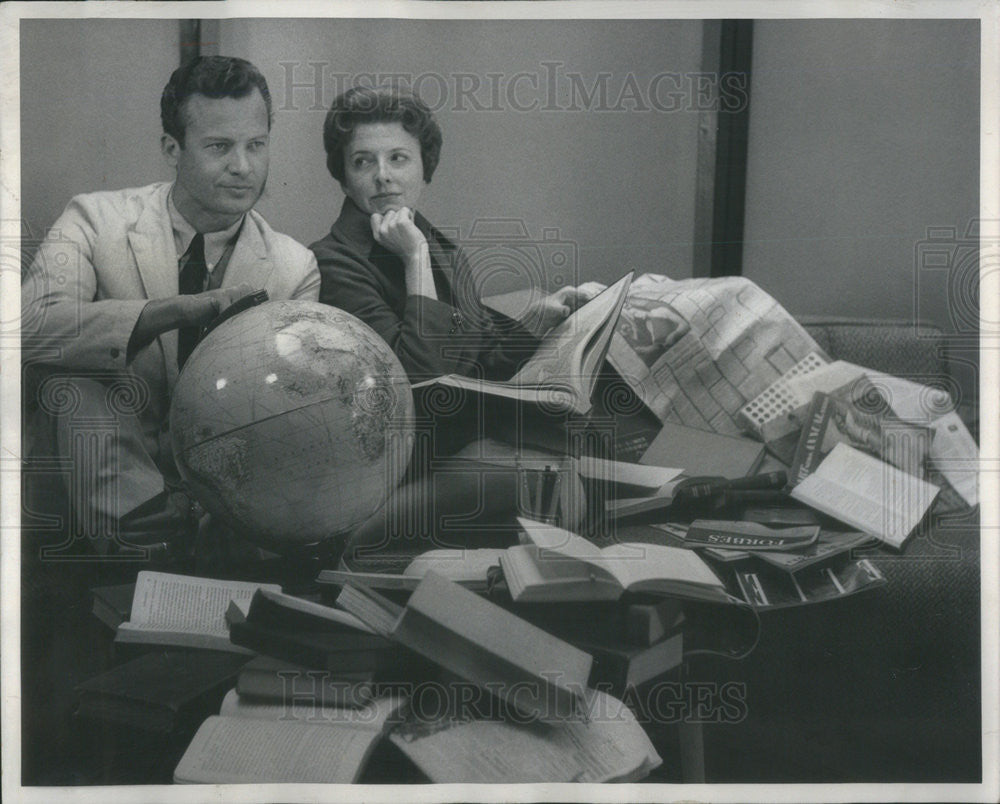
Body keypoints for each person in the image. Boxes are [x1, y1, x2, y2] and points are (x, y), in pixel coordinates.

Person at [22, 56, 320, 552]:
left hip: (216, 521)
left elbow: (286, 425)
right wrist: (171, 312)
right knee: (71, 378)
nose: (243, 167)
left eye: (256, 145)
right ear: (172, 149)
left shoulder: (294, 267)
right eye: (220, 147)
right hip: (75, 513)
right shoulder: (95, 220)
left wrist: (200, 505)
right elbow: (27, 328)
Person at [310, 85, 591, 384]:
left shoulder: (442, 250)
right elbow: (418, 379)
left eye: (398, 158)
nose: (383, 175)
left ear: (424, 168)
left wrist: (535, 322)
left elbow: (484, 358)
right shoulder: (332, 264)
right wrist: (416, 260)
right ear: (345, 180)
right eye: (362, 162)